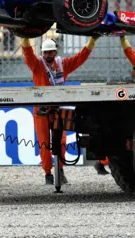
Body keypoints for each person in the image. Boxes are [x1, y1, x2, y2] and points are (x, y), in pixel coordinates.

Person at [21, 36, 100, 185]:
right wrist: (24, 40)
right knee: (44, 143)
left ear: (55, 52)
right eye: (45, 53)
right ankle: (47, 174)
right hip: (41, 110)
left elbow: (80, 58)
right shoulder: (37, 64)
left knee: (62, 141)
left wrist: (92, 42)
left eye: (50, 52)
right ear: (42, 53)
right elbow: (28, 55)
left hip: (57, 109)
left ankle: (60, 170)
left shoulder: (63, 64)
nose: (48, 56)